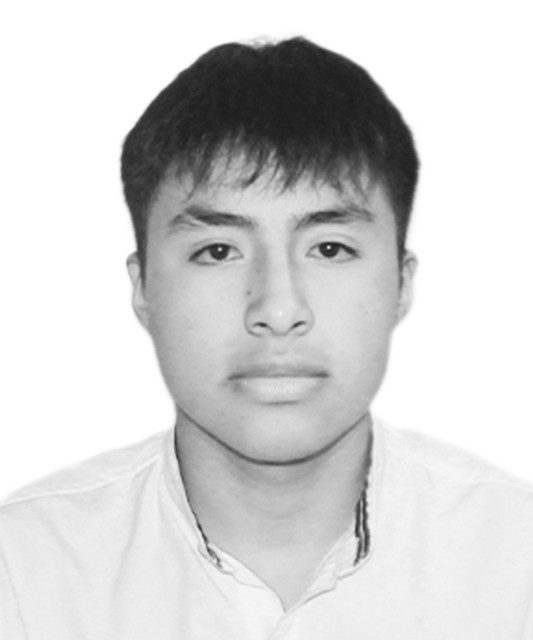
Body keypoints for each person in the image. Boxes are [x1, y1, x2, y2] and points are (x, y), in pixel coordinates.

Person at [1, 37, 532, 640]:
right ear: (143, 286)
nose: (278, 310)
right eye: (217, 251)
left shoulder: (516, 568)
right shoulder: (23, 573)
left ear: (401, 283)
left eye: (329, 248)